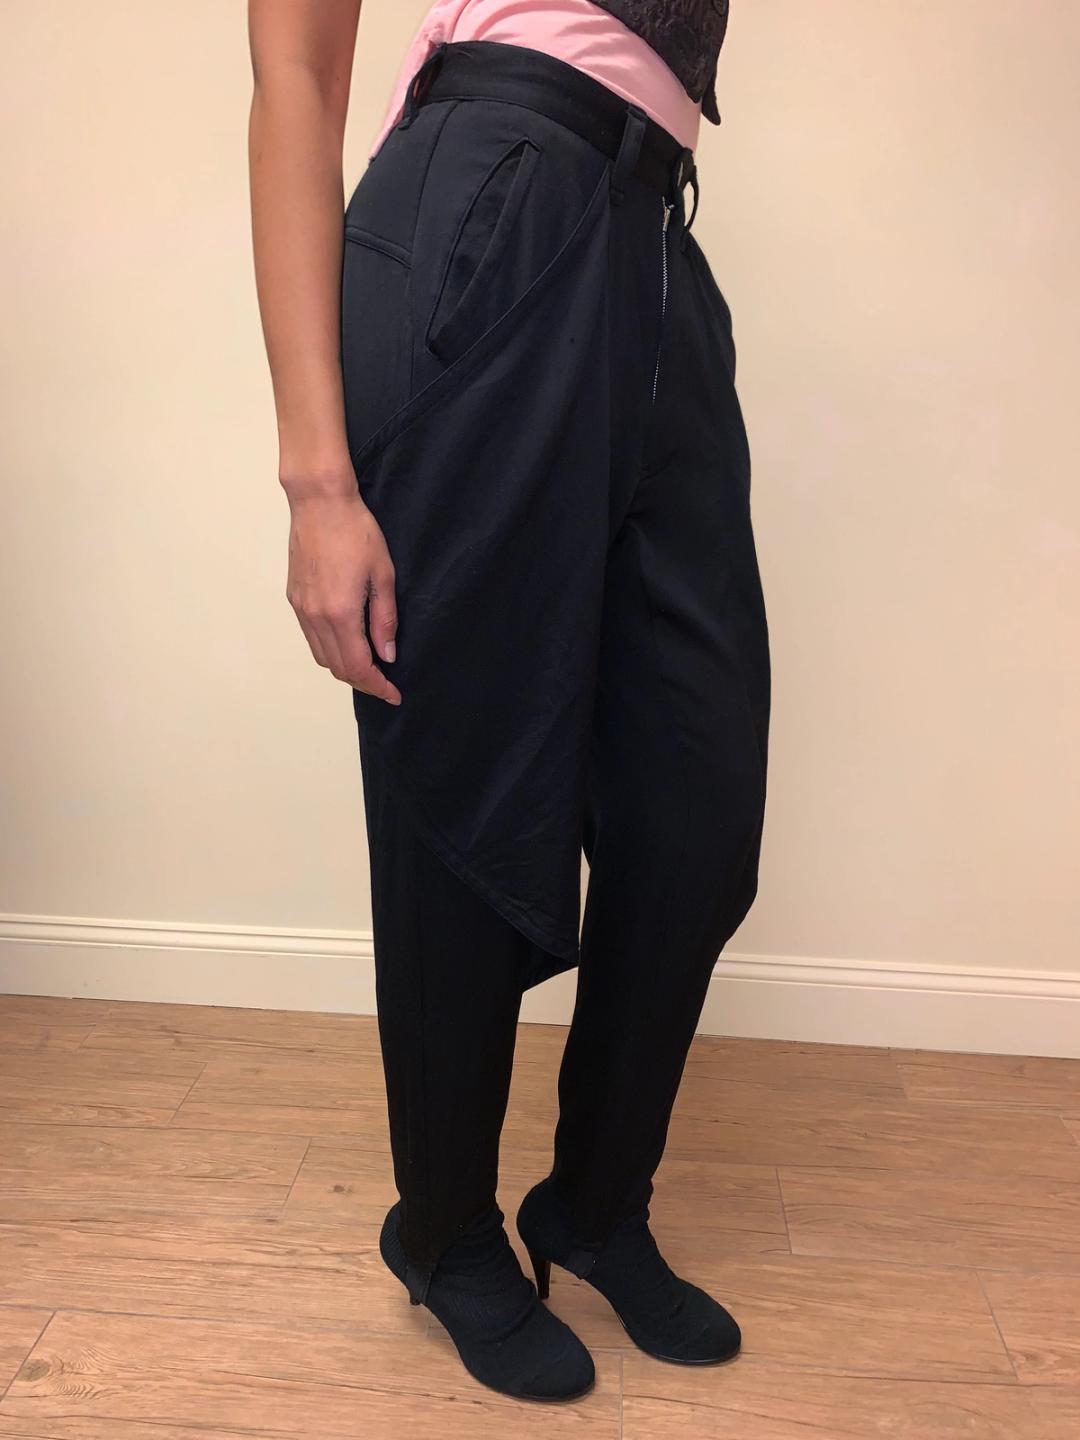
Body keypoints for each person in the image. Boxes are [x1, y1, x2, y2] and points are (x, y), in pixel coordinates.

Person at [247, 0, 769, 1404]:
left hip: (655, 250)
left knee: (699, 808)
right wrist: (316, 480)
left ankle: (592, 1205)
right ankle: (443, 1227)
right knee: (468, 767)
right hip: (495, 208)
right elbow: (294, 72)